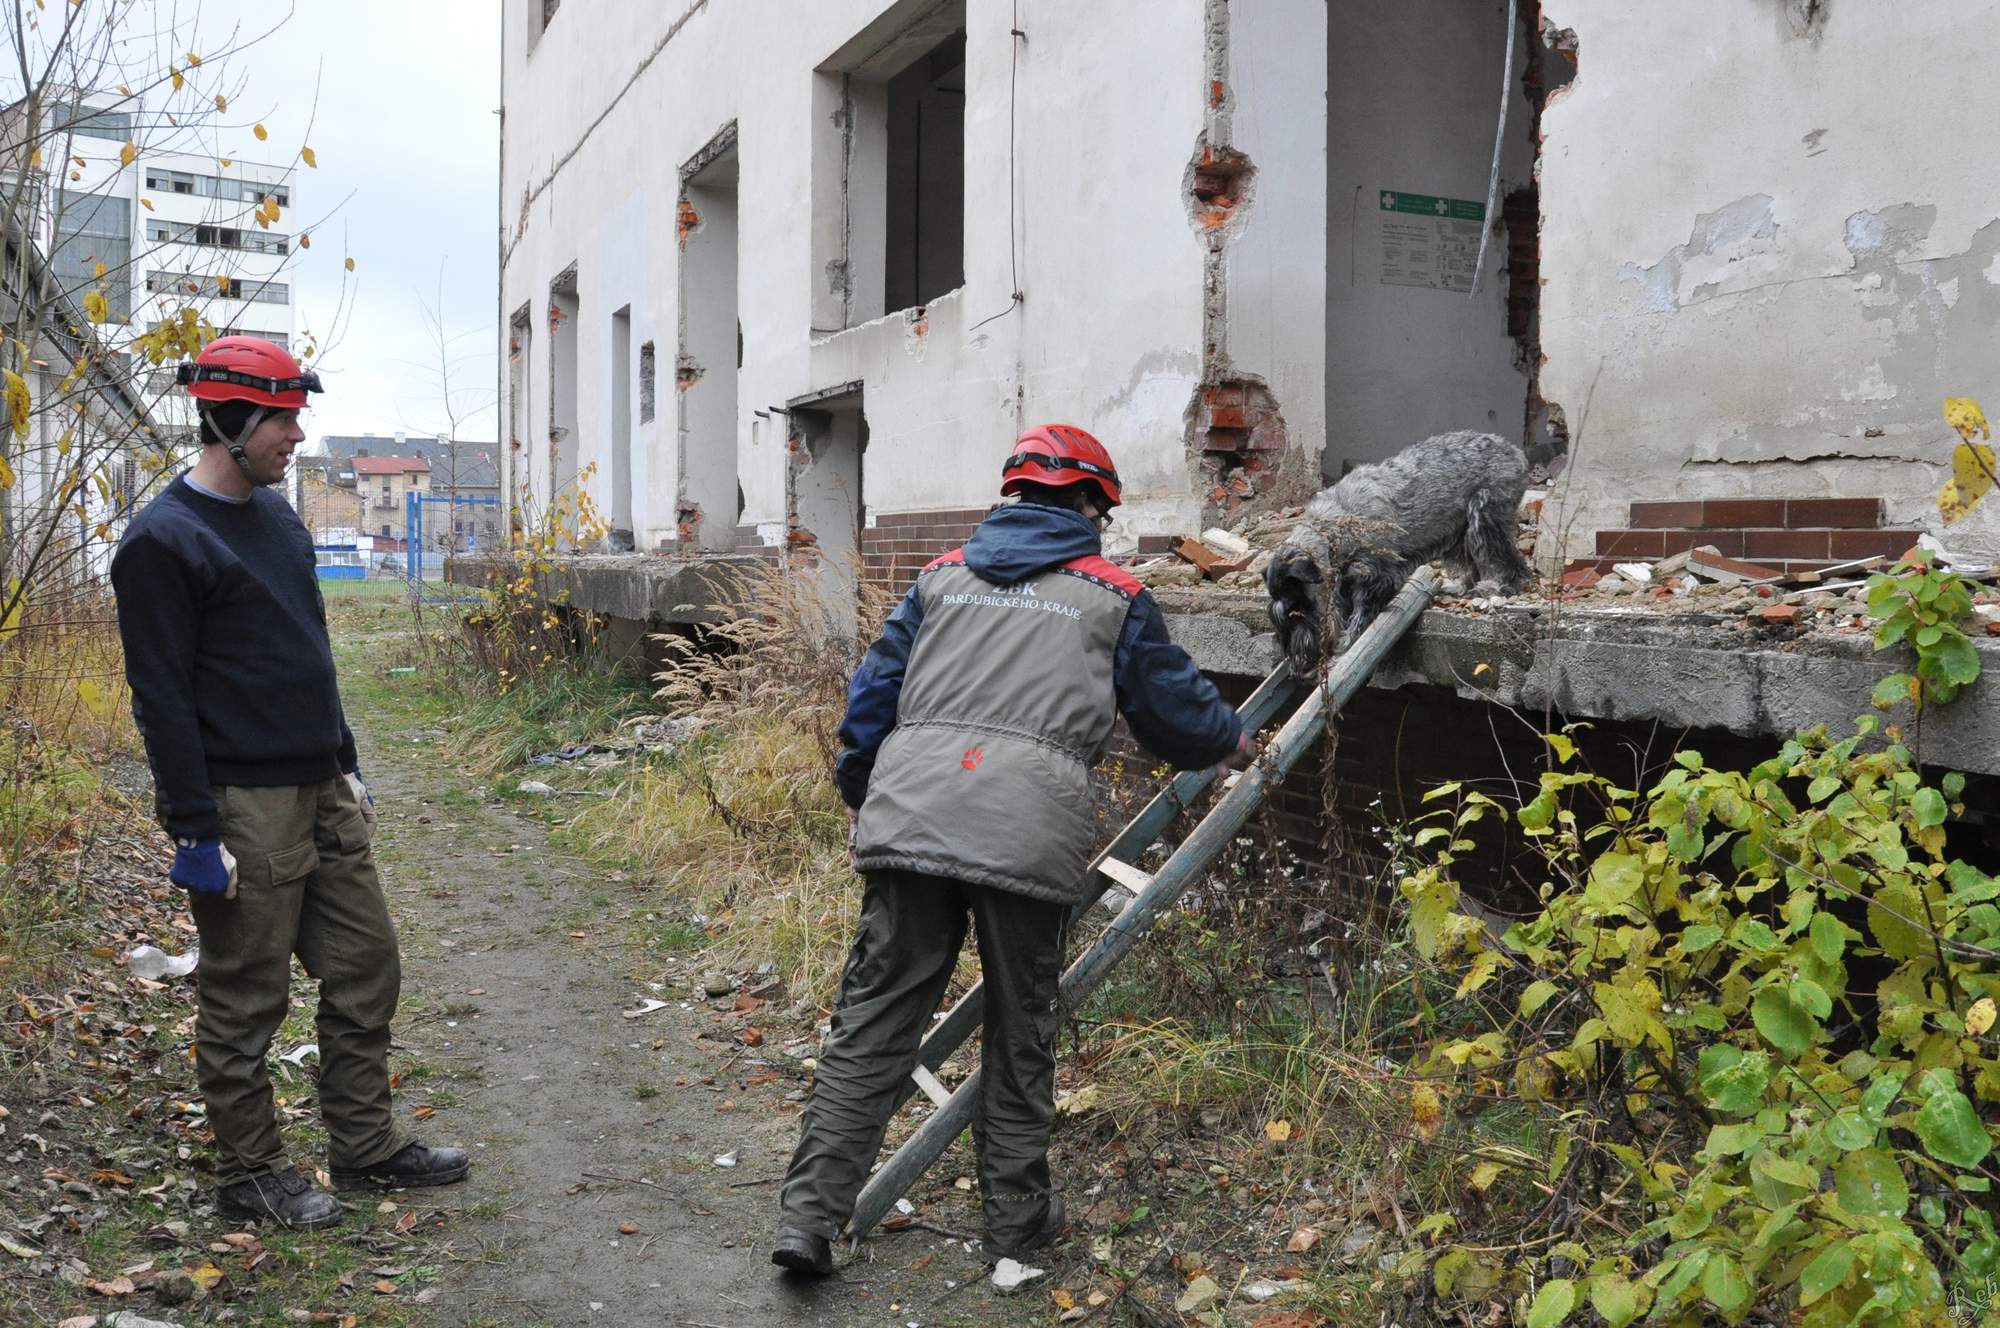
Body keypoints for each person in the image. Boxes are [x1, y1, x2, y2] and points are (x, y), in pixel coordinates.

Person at [773, 423, 1249, 1275]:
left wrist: (866, 796)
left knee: (871, 1024)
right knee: (1020, 1030)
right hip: (1029, 833)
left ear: (1014, 494)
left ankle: (806, 1222)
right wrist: (1229, 738)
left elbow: (870, 702)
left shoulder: (938, 578)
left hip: (910, 817)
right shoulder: (1113, 593)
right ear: (1090, 506)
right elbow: (1175, 717)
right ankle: (1014, 1235)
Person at [110, 336, 467, 1230]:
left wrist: (345, 759)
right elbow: (162, 697)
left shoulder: (277, 521)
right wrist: (194, 831)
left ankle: (366, 1145)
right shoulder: (163, 543)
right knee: (246, 993)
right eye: (282, 419)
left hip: (320, 785)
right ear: (229, 422)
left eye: (297, 417)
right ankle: (252, 1174)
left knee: (365, 966)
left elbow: (308, 652)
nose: (297, 437)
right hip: (244, 807)